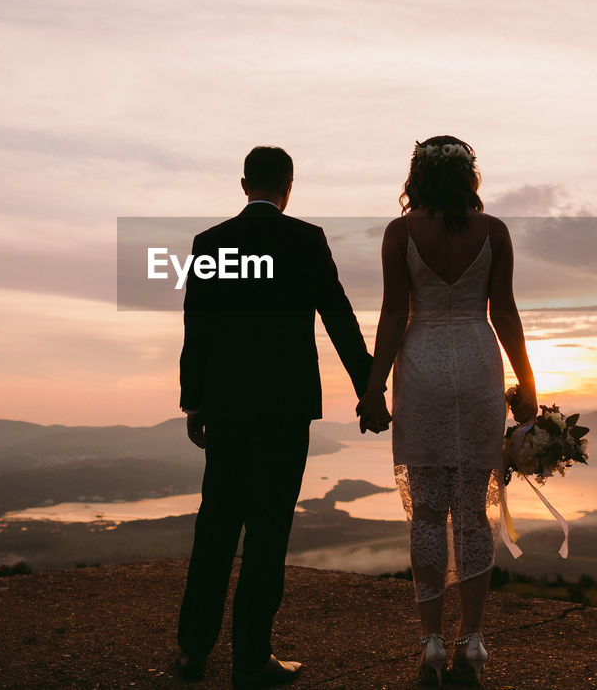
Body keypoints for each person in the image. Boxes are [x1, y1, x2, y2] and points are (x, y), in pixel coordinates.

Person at [175, 146, 378, 689]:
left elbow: (197, 331)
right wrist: (369, 390)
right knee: (268, 529)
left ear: (244, 185)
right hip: (285, 409)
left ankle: (193, 651)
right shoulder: (305, 241)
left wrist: (194, 403)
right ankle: (251, 659)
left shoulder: (208, 244)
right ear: (289, 186)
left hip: (225, 406)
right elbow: (338, 317)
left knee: (215, 522)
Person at [356, 135, 538, 687]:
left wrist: (373, 388)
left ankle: (432, 640)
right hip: (480, 368)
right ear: (468, 176)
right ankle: (473, 640)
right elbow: (503, 311)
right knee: (474, 510)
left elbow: (392, 314)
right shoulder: (495, 233)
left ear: (417, 176)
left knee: (429, 513)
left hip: (424, 370)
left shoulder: (400, 233)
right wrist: (527, 381)